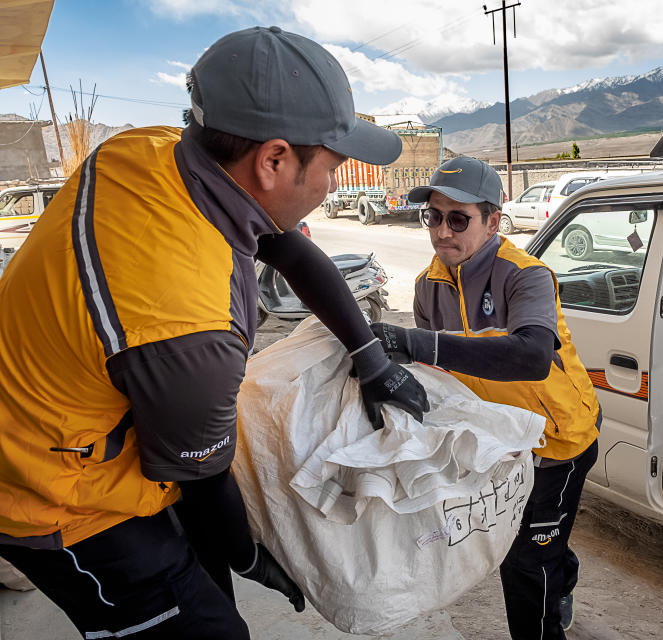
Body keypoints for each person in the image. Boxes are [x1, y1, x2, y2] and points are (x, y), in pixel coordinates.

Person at [0, 26, 428, 639]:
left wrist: (370, 357)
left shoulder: (142, 152)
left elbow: (290, 251)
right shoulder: (190, 330)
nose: (334, 183)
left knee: (209, 589)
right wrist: (250, 555)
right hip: (54, 494)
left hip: (83, 416)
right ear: (273, 160)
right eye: (333, 166)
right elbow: (202, 479)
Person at [370, 156, 601, 639]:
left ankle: (552, 589)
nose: (441, 232)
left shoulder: (526, 275)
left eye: (459, 219)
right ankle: (561, 570)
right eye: (433, 216)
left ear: (493, 221)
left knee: (524, 564)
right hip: (500, 441)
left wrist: (413, 342)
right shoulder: (427, 285)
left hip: (557, 440)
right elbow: (441, 375)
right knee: (537, 544)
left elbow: (531, 357)